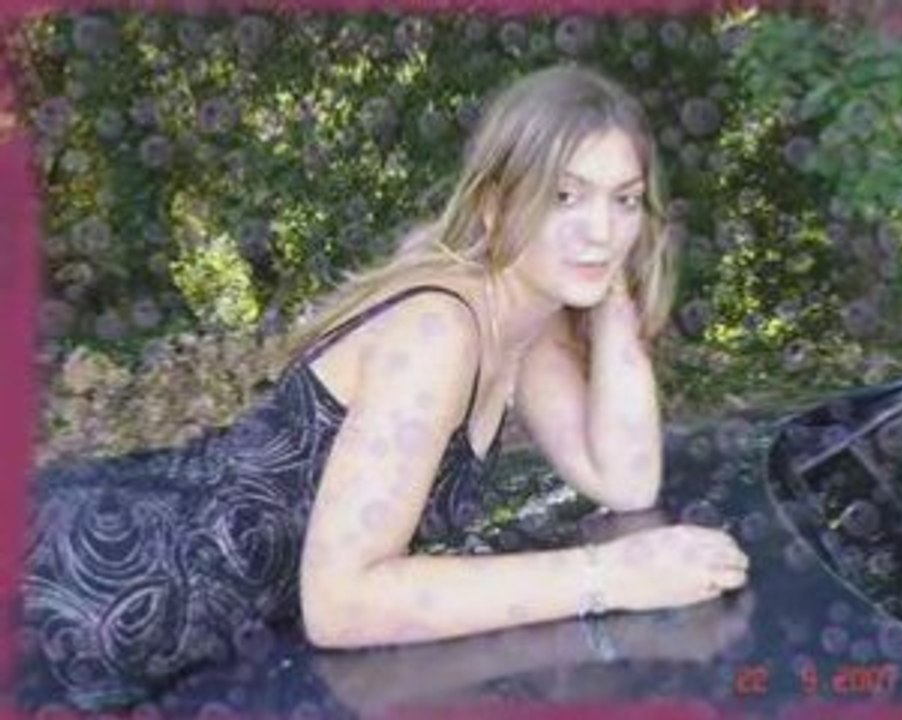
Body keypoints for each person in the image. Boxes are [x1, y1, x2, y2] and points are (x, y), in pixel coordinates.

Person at [18, 63, 750, 711]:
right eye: (566, 196)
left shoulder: (525, 319)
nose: (601, 230)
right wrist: (608, 576)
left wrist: (614, 296)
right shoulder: (439, 329)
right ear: (497, 203)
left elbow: (625, 480)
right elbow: (340, 603)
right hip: (89, 589)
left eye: (625, 201)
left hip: (178, 628)